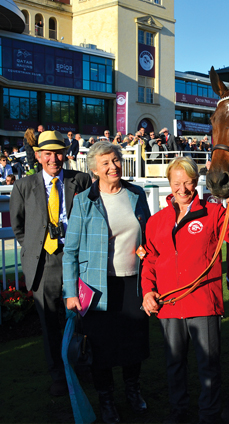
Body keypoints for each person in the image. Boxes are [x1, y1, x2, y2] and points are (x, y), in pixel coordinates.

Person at [141, 157, 229, 424]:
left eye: (188, 182)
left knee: (208, 366)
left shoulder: (214, 213)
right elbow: (150, 259)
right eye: (177, 183)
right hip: (168, 304)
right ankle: (178, 413)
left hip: (203, 303)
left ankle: (209, 416)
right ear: (169, 184)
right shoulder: (156, 221)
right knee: (174, 365)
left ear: (196, 182)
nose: (182, 189)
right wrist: (148, 291)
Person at [63, 141, 151, 423]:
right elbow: (70, 251)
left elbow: (148, 236)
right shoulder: (83, 200)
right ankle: (107, 399)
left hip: (133, 282)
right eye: (106, 163)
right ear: (93, 169)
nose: (113, 167)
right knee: (100, 346)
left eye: (115, 160)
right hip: (96, 286)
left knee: (133, 341)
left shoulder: (136, 194)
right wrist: (70, 291)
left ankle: (133, 390)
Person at [9, 130, 92, 397]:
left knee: (80, 318)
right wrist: (37, 247)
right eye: (48, 153)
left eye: (58, 152)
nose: (54, 158)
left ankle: (79, 367)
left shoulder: (80, 180)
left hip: (77, 259)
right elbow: (18, 227)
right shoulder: (23, 186)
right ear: (38, 155)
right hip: (44, 263)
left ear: (66, 154)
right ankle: (58, 373)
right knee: (49, 323)